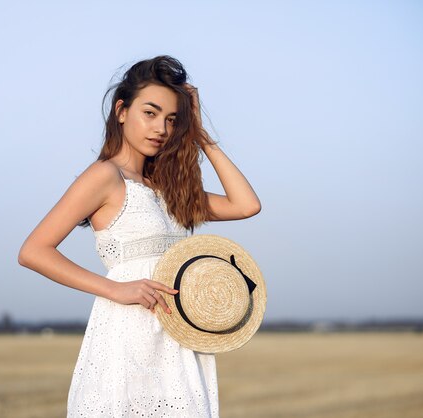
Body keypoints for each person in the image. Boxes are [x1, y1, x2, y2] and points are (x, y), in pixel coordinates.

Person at [18, 55, 261, 417]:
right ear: (121, 110)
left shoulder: (170, 189)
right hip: (127, 335)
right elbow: (34, 251)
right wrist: (116, 289)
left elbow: (246, 205)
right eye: (150, 113)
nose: (161, 127)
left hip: (177, 335)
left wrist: (201, 135)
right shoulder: (104, 176)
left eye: (171, 119)